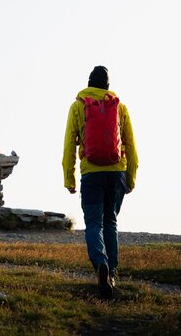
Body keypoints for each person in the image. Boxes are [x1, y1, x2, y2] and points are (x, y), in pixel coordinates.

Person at [62, 66, 139, 299]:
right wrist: (131, 177)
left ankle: (100, 264)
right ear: (107, 85)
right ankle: (112, 273)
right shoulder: (120, 107)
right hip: (117, 173)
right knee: (111, 221)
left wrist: (69, 177)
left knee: (94, 223)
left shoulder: (78, 106)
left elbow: (68, 145)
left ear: (88, 83)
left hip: (91, 174)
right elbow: (131, 145)